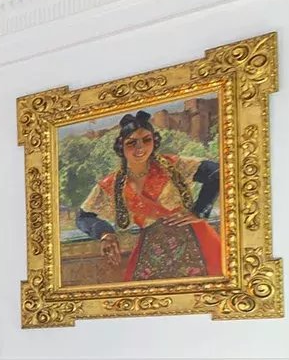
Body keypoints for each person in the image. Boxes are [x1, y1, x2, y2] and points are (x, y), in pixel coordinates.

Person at [75, 110, 222, 281]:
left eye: (147, 140)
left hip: (198, 239)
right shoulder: (112, 183)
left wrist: (199, 211)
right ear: (121, 146)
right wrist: (105, 234)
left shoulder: (173, 166)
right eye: (132, 143)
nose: (140, 148)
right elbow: (83, 216)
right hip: (152, 247)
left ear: (154, 141)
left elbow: (217, 172)